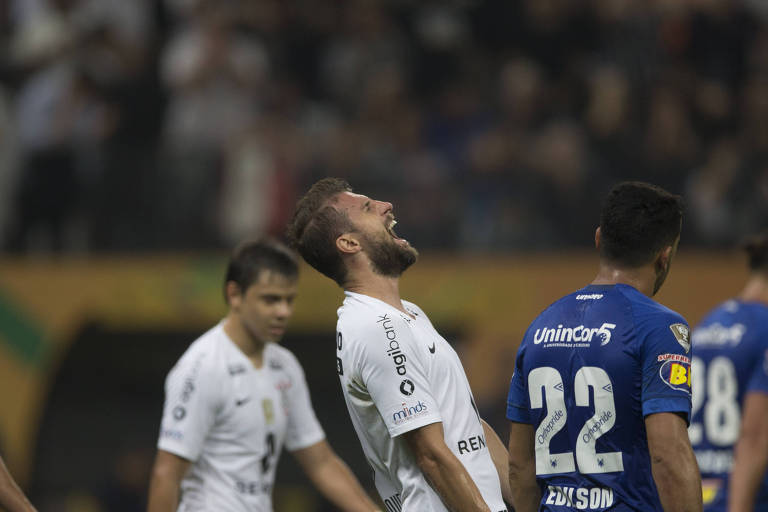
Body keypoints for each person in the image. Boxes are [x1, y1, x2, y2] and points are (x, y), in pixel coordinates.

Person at [286, 177, 512, 512]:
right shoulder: (376, 327)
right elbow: (431, 456)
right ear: (348, 243)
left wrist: (530, 501)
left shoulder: (408, 315)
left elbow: (468, 426)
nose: (386, 205)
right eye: (367, 207)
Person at [506, 181, 702, 512]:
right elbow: (668, 455)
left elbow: (519, 466)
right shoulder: (661, 327)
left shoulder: (539, 326)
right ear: (665, 257)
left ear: (598, 239)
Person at [147, 238, 380, 512]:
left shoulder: (284, 365)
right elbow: (167, 474)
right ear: (234, 295)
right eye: (270, 299)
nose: (283, 312)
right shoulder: (202, 367)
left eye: (289, 300)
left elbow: (321, 462)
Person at [689, 231, 768, 512]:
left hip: (700, 493)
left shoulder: (710, 322)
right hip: (746, 499)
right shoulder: (765, 330)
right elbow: (755, 435)